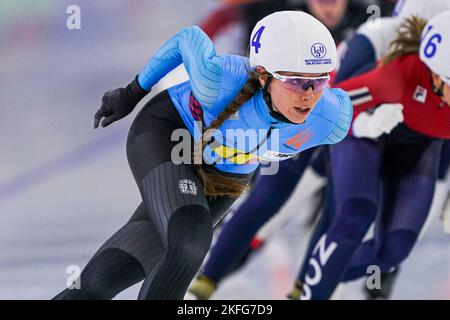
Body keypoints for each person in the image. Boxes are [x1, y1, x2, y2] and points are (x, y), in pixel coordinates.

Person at [52, 10, 352, 300]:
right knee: (190, 242)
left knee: (100, 282)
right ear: (263, 76)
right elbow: (188, 38)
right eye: (296, 81)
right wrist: (131, 93)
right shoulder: (219, 81)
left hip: (227, 173)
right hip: (169, 134)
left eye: (319, 81)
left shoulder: (330, 119)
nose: (309, 94)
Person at [188, 0, 372, 300]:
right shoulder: (282, 14)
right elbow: (226, 15)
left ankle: (309, 288)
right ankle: (207, 279)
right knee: (267, 203)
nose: (328, 8)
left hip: (349, 128)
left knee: (340, 209)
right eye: (320, 1)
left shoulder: (372, 13)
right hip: (300, 126)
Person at [294, 9, 450, 300]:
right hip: (364, 138)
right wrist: (364, 124)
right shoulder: (400, 76)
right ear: (437, 77)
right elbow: (326, 106)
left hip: (415, 152)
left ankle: (318, 283)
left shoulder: (440, 81)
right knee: (357, 213)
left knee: (394, 250)